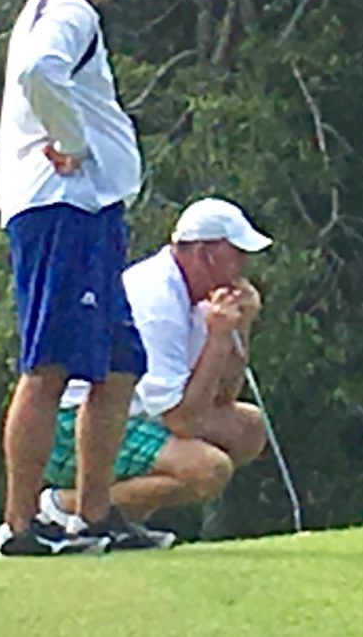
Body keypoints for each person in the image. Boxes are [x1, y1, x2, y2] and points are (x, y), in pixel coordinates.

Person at [0, 0, 163, 556]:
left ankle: (95, 514)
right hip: (63, 209)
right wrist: (73, 138)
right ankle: (21, 524)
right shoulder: (68, 9)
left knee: (119, 362)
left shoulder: (60, 7)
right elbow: (40, 71)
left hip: (87, 212)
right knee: (52, 364)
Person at [36, 197, 272, 535]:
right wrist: (218, 337)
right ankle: (68, 507)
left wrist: (240, 327)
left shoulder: (200, 296)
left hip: (137, 412)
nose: (243, 265)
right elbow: (183, 421)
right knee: (208, 470)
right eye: (236, 254)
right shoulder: (158, 298)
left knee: (249, 428)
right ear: (205, 254)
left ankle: (121, 517)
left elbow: (222, 396)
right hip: (77, 423)